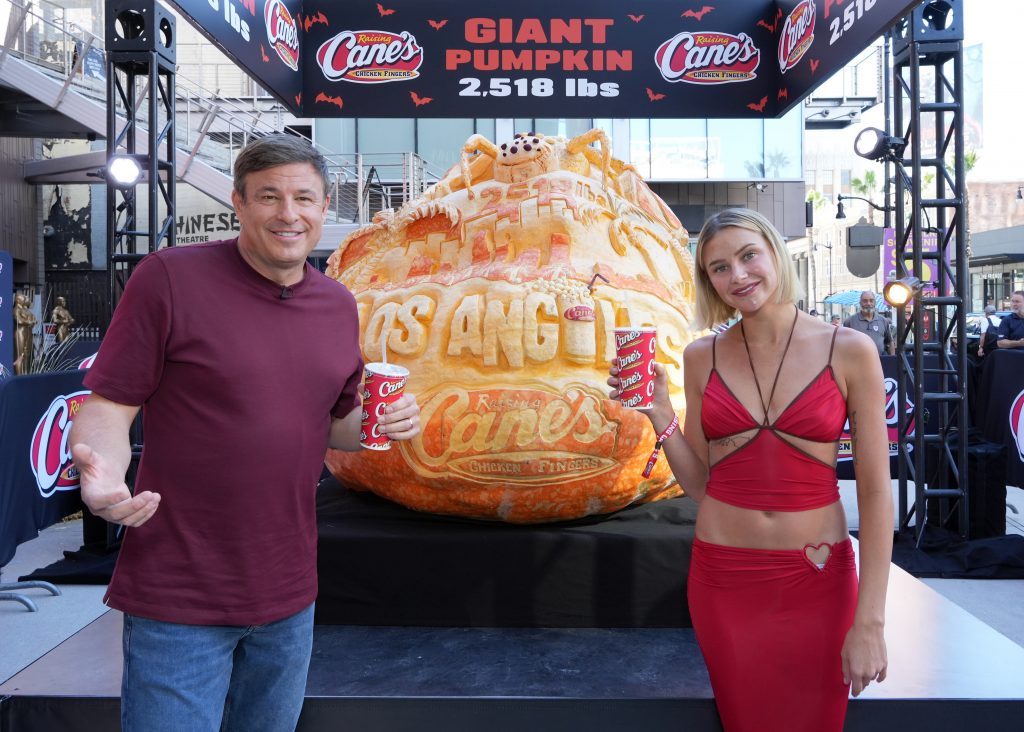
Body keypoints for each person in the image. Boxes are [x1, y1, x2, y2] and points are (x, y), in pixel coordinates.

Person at [69, 134, 422, 732]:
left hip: (289, 593)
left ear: (325, 205)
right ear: (238, 202)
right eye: (269, 197)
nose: (289, 213)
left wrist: (388, 423)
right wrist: (100, 473)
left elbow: (337, 428)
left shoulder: (339, 304)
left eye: (304, 198)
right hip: (180, 590)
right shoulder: (169, 278)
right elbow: (110, 404)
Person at [609, 209, 892, 732]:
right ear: (708, 282)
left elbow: (876, 493)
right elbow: (701, 485)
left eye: (747, 256)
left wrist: (870, 620)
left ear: (774, 253)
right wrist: (663, 418)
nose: (737, 276)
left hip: (819, 582)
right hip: (724, 582)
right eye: (719, 268)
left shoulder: (850, 350)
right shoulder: (701, 357)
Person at [843, 291, 894, 356]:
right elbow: (844, 344)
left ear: (875, 302)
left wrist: (892, 359)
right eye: (865, 301)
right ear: (860, 303)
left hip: (880, 362)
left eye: (871, 300)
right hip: (857, 362)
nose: (868, 303)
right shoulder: (850, 322)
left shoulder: (883, 321)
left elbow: (890, 341)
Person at [13, 292, 37, 374]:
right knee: (20, 355)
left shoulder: (25, 310)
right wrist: (29, 322)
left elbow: (33, 321)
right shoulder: (16, 309)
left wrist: (32, 322)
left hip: (28, 331)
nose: (24, 299)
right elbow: (19, 321)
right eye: (22, 297)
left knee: (27, 354)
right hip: (20, 332)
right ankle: (19, 375)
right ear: (18, 300)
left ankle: (25, 373)